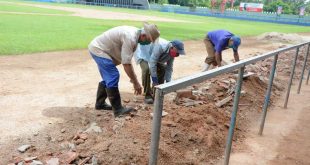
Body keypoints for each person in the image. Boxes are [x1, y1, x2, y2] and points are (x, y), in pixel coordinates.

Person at [88, 22, 160, 117]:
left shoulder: (135, 36)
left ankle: (100, 104)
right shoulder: (130, 38)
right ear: (143, 35)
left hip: (101, 49)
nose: (149, 43)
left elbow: (128, 62)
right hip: (99, 49)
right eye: (148, 40)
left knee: (109, 77)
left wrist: (134, 80)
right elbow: (126, 64)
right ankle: (118, 110)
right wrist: (135, 83)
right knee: (113, 75)